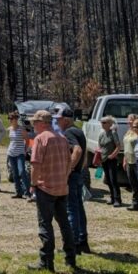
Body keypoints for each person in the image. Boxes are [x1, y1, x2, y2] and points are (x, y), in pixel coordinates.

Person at [27, 109, 77, 272]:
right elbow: (69, 162)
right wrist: (63, 178)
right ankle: (71, 259)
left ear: (42, 124)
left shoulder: (40, 139)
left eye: (35, 122)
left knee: (45, 225)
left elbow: (35, 165)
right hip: (62, 188)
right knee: (65, 224)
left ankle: (46, 262)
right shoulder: (62, 139)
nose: (33, 125)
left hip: (45, 188)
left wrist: (33, 185)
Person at [56, 105, 90, 252]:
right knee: (79, 208)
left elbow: (77, 150)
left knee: (71, 209)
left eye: (59, 119)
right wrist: (80, 169)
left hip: (72, 175)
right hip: (78, 174)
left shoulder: (69, 132)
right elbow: (85, 155)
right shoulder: (78, 130)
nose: (57, 122)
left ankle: (73, 243)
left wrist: (68, 169)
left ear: (66, 120)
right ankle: (82, 241)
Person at [98, 115, 123, 207]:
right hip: (104, 159)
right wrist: (99, 158)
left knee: (113, 179)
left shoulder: (113, 133)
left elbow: (118, 146)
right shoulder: (102, 134)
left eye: (104, 122)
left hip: (111, 160)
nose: (102, 124)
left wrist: (112, 155)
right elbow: (100, 147)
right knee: (108, 180)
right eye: (101, 122)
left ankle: (117, 199)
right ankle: (112, 197)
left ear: (110, 124)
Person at [6, 111, 31, 198]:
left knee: (22, 172)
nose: (10, 120)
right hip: (11, 153)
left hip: (20, 153)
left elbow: (27, 140)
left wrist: (25, 150)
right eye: (9, 118)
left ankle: (27, 193)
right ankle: (18, 192)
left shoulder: (21, 129)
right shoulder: (9, 129)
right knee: (15, 173)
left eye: (11, 119)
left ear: (16, 119)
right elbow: (11, 140)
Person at [121, 115, 138, 211]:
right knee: (133, 184)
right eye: (128, 120)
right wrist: (124, 160)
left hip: (137, 162)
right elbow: (126, 147)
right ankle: (136, 204)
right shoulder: (128, 132)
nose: (128, 122)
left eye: (130, 120)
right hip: (129, 161)